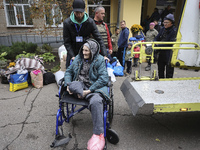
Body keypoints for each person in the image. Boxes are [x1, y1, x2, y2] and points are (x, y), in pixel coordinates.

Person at [64, 39, 109, 150]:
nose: (84, 53)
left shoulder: (99, 60)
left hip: (93, 88)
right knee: (72, 85)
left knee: (96, 101)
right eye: (83, 50)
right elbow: (69, 71)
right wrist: (68, 85)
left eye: (86, 51)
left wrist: (89, 91)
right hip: (79, 85)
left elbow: (104, 78)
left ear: (92, 51)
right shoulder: (78, 58)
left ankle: (98, 135)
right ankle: (79, 93)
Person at [63, 0, 108, 68]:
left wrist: (104, 55)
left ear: (84, 10)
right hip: (73, 51)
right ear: (73, 11)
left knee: (86, 73)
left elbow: (99, 38)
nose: (79, 15)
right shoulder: (67, 23)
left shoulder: (90, 22)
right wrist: (72, 56)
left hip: (86, 52)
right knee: (71, 73)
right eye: (77, 12)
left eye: (81, 12)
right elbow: (67, 42)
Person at [154, 14, 176, 78]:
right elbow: (157, 37)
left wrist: (159, 44)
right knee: (160, 70)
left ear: (171, 22)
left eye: (167, 22)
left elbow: (170, 43)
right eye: (164, 22)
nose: (165, 24)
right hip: (161, 52)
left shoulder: (174, 31)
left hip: (169, 53)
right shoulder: (162, 29)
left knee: (169, 72)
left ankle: (168, 85)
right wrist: (154, 42)